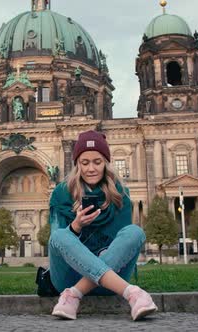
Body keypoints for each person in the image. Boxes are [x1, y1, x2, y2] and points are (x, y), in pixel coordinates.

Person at [48, 130, 157, 321]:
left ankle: (73, 295)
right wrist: (76, 226)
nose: (91, 168)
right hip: (67, 277)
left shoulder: (119, 192)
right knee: (59, 235)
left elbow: (121, 244)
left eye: (97, 162)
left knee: (134, 232)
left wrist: (102, 257)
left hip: (109, 280)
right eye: (85, 162)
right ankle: (133, 293)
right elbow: (58, 243)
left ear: (106, 163)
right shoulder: (61, 194)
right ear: (77, 165)